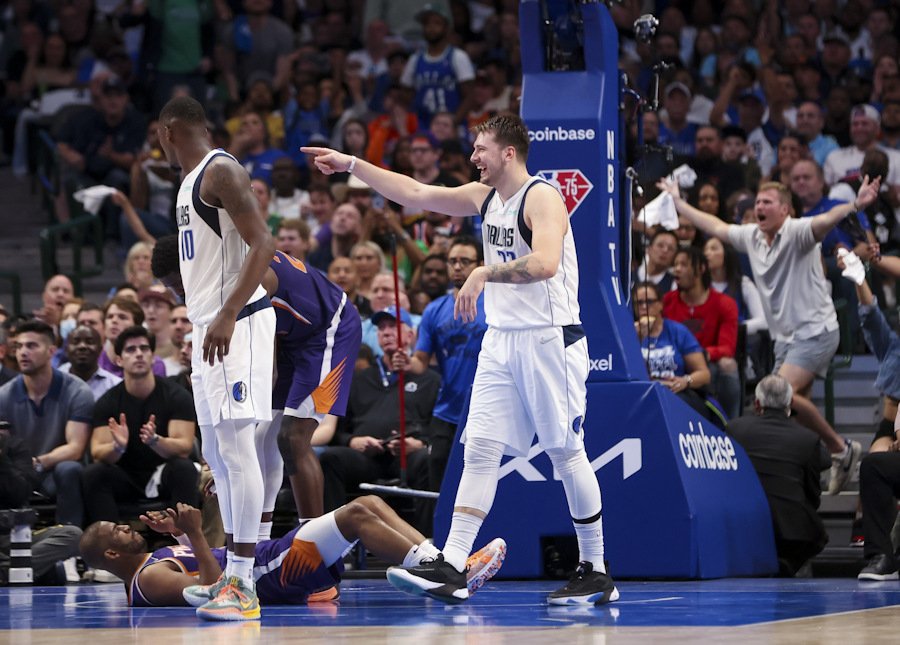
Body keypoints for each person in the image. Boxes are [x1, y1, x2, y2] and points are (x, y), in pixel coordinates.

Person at [302, 113, 618, 605]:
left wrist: (483, 273)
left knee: (564, 451)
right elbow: (415, 193)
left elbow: (546, 263)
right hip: (501, 339)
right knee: (481, 449)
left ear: (508, 152)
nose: (473, 158)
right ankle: (452, 563)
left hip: (548, 338)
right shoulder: (483, 196)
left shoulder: (542, 196)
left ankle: (595, 570)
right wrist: (351, 165)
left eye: (480, 149)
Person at [659, 176, 882, 495]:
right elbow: (715, 226)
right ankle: (810, 470)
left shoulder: (798, 232)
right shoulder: (752, 236)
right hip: (785, 339)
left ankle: (841, 449)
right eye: (758, 202)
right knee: (793, 407)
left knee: (778, 395)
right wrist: (678, 202)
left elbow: (825, 220)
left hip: (816, 330)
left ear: (785, 210)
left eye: (767, 202)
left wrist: (856, 204)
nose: (759, 207)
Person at [156, 95, 276, 621]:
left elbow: (264, 244)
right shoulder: (187, 183)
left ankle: (244, 584)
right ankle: (230, 574)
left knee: (238, 446)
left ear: (167, 131)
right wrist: (205, 322)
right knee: (218, 454)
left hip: (238, 322)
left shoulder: (220, 170)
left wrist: (226, 314)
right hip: (209, 328)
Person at [79, 498, 507, 609]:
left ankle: (441, 566)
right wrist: (193, 531)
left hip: (266, 559)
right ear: (111, 555)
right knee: (357, 516)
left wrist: (181, 535)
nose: (127, 527)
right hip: (267, 573)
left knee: (369, 504)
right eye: (117, 532)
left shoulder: (153, 563)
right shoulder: (149, 578)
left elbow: (205, 563)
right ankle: (441, 572)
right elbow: (212, 590)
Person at [391, 236, 487, 523]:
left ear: (481, 264)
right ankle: (440, 538)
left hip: (485, 407)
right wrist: (407, 362)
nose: (457, 267)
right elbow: (422, 360)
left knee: (481, 477)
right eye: (452, 261)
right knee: (440, 480)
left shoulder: (496, 303)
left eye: (465, 261)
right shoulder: (435, 310)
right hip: (447, 410)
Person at [318, 306, 438, 524]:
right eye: (381, 328)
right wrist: (352, 441)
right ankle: (332, 533)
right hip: (367, 458)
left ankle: (426, 538)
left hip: (408, 457)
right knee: (330, 458)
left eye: (393, 326)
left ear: (410, 335)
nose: (386, 332)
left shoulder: (430, 379)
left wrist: (421, 444)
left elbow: (438, 427)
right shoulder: (359, 378)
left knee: (428, 460)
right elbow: (339, 430)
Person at [82, 325, 199, 524]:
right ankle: (110, 539)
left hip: (163, 473)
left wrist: (156, 441)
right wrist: (117, 447)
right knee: (94, 473)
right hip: (125, 476)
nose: (138, 354)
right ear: (119, 360)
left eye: (144, 349)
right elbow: (97, 453)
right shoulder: (108, 402)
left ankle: (184, 538)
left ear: (153, 357)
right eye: (130, 349)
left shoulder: (176, 396)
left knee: (184, 468)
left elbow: (184, 448)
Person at [726, 375, 830, 576]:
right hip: (792, 532)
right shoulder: (807, 438)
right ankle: (788, 564)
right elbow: (814, 489)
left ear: (757, 404)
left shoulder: (734, 429)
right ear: (790, 403)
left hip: (745, 524)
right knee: (815, 528)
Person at [0, 320, 93, 526]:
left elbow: (76, 448)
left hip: (53, 471)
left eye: (31, 346)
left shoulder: (77, 391)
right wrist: (23, 467)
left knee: (69, 469)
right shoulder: (4, 395)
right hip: (17, 474)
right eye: (19, 346)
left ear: (51, 351)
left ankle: (70, 536)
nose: (23, 352)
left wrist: (37, 462)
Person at [663, 247, 741, 420]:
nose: (677, 269)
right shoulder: (667, 301)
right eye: (675, 264)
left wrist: (700, 354)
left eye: (684, 264)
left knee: (728, 364)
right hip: (672, 360)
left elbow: (727, 348)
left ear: (701, 269)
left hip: (706, 361)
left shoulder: (724, 303)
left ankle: (731, 423)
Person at [58, 324, 121, 401]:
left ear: (100, 349)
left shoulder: (115, 385)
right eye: (75, 342)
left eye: (89, 342)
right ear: (66, 349)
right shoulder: (54, 381)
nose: (82, 346)